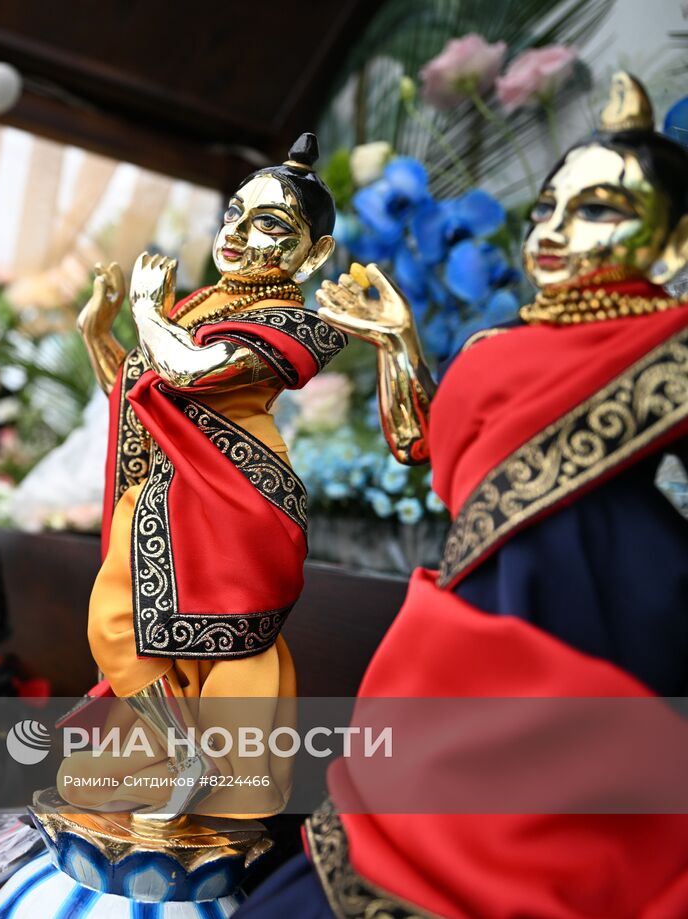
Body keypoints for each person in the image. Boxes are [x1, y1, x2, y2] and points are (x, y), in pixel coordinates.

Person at [236, 72, 688, 919]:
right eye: (549, 205)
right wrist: (396, 340)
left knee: (558, 835)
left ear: (672, 246)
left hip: (611, 604)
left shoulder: (669, 348)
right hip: (473, 605)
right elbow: (423, 444)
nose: (553, 229)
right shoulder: (497, 341)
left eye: (597, 210)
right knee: (405, 819)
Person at [68, 134, 346, 823]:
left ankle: (215, 773)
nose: (239, 232)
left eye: (270, 223)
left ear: (313, 256)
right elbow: (144, 389)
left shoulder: (295, 325)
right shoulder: (193, 305)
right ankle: (180, 753)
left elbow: (194, 371)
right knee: (119, 631)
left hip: (232, 498)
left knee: (225, 651)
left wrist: (145, 313)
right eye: (234, 213)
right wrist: (100, 334)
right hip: (165, 493)